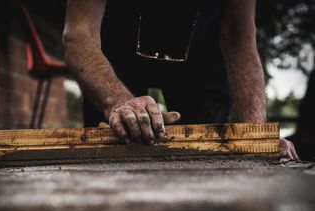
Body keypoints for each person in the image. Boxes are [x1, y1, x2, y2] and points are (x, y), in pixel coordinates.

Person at [63, 0, 298, 160]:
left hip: (201, 55)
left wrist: (257, 135)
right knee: (113, 146)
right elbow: (79, 33)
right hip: (116, 48)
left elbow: (238, 34)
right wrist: (116, 101)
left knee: (208, 152)